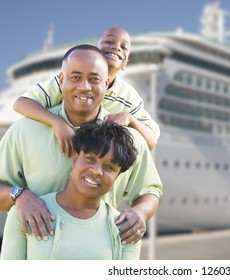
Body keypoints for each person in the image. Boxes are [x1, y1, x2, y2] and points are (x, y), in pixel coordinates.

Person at [0, 44, 163, 245]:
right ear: (61, 80)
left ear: (106, 83)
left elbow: (150, 191)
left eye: (94, 79)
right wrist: (19, 195)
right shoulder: (23, 131)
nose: (85, 87)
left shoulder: (130, 139)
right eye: (75, 77)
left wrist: (140, 212)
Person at [1, 122, 141, 260]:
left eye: (109, 167)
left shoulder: (127, 229)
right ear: (75, 160)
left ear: (117, 177)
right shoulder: (26, 213)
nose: (97, 171)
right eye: (90, 158)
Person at [13, 26, 159, 154]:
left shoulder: (129, 95)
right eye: (109, 41)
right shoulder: (69, 80)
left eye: (124, 47)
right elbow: (20, 103)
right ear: (95, 50)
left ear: (125, 63)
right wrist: (57, 122)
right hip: (56, 149)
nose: (116, 47)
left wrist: (130, 118)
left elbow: (151, 142)